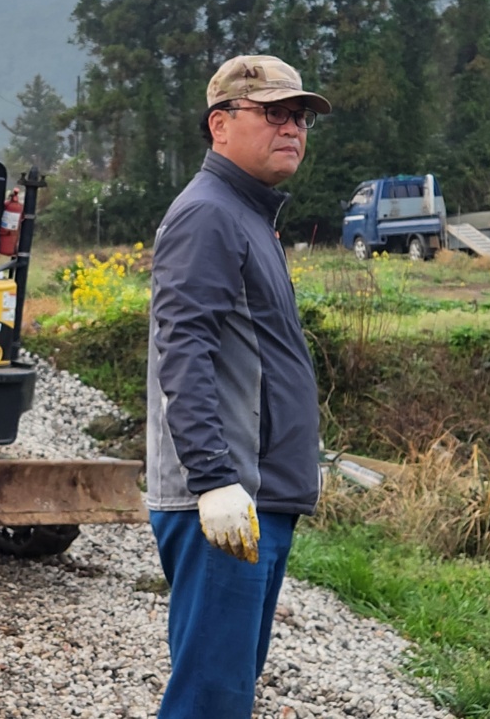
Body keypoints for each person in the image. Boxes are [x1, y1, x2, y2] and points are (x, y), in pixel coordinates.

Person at [145, 54, 331, 719]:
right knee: (210, 702)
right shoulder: (209, 214)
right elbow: (183, 346)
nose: (293, 127)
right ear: (219, 126)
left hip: (256, 492)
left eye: (300, 116)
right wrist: (213, 478)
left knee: (224, 694)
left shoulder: (249, 214)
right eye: (273, 112)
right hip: (227, 497)